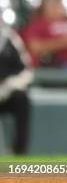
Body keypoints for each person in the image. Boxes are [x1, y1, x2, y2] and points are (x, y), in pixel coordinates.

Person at [0, 19, 32, 155]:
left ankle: (19, 151)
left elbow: (26, 71)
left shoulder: (10, 38)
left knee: (21, 98)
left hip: (6, 92)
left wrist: (6, 88)